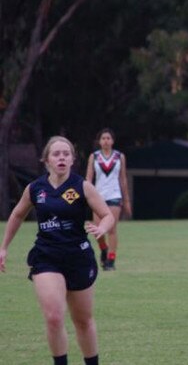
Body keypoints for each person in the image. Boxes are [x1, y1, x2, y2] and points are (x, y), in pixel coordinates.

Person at [0, 136, 114, 365]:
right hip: (46, 257)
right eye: (56, 154)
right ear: (46, 160)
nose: (61, 157)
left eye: (66, 154)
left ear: (73, 159)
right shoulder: (35, 188)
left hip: (78, 256)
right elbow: (17, 214)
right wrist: (3, 247)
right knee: (53, 317)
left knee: (82, 320)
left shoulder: (82, 186)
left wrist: (102, 228)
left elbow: (108, 215)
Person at [85, 128, 131, 271]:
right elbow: (88, 178)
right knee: (98, 230)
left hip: (114, 196)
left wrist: (126, 200)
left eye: (108, 138)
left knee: (111, 229)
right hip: (98, 197)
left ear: (112, 141)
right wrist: (86, 196)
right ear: (99, 141)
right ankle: (103, 249)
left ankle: (111, 260)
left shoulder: (119, 157)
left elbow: (123, 179)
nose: (106, 141)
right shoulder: (94, 156)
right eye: (103, 138)